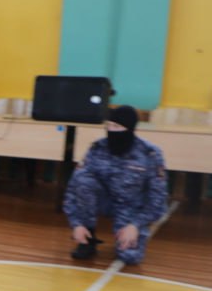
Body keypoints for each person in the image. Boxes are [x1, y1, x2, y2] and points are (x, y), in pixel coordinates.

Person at [64, 106, 169, 265]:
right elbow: (73, 188)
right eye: (109, 126)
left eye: (117, 127)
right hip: (104, 200)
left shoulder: (150, 154)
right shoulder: (97, 148)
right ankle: (87, 238)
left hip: (131, 207)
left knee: (130, 257)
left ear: (130, 129)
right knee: (83, 180)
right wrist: (77, 224)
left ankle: (126, 234)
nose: (112, 131)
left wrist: (136, 225)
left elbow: (158, 199)